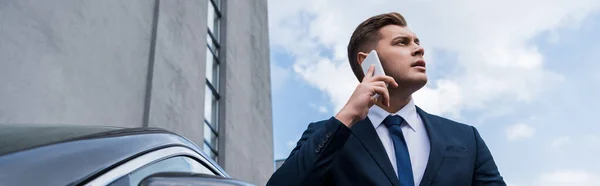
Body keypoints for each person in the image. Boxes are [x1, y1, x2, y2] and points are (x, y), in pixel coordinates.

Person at [267, 12, 506, 186]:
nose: (418, 49)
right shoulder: (330, 135)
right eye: (402, 43)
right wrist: (348, 115)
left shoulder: (466, 138)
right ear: (367, 61)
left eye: (417, 42)